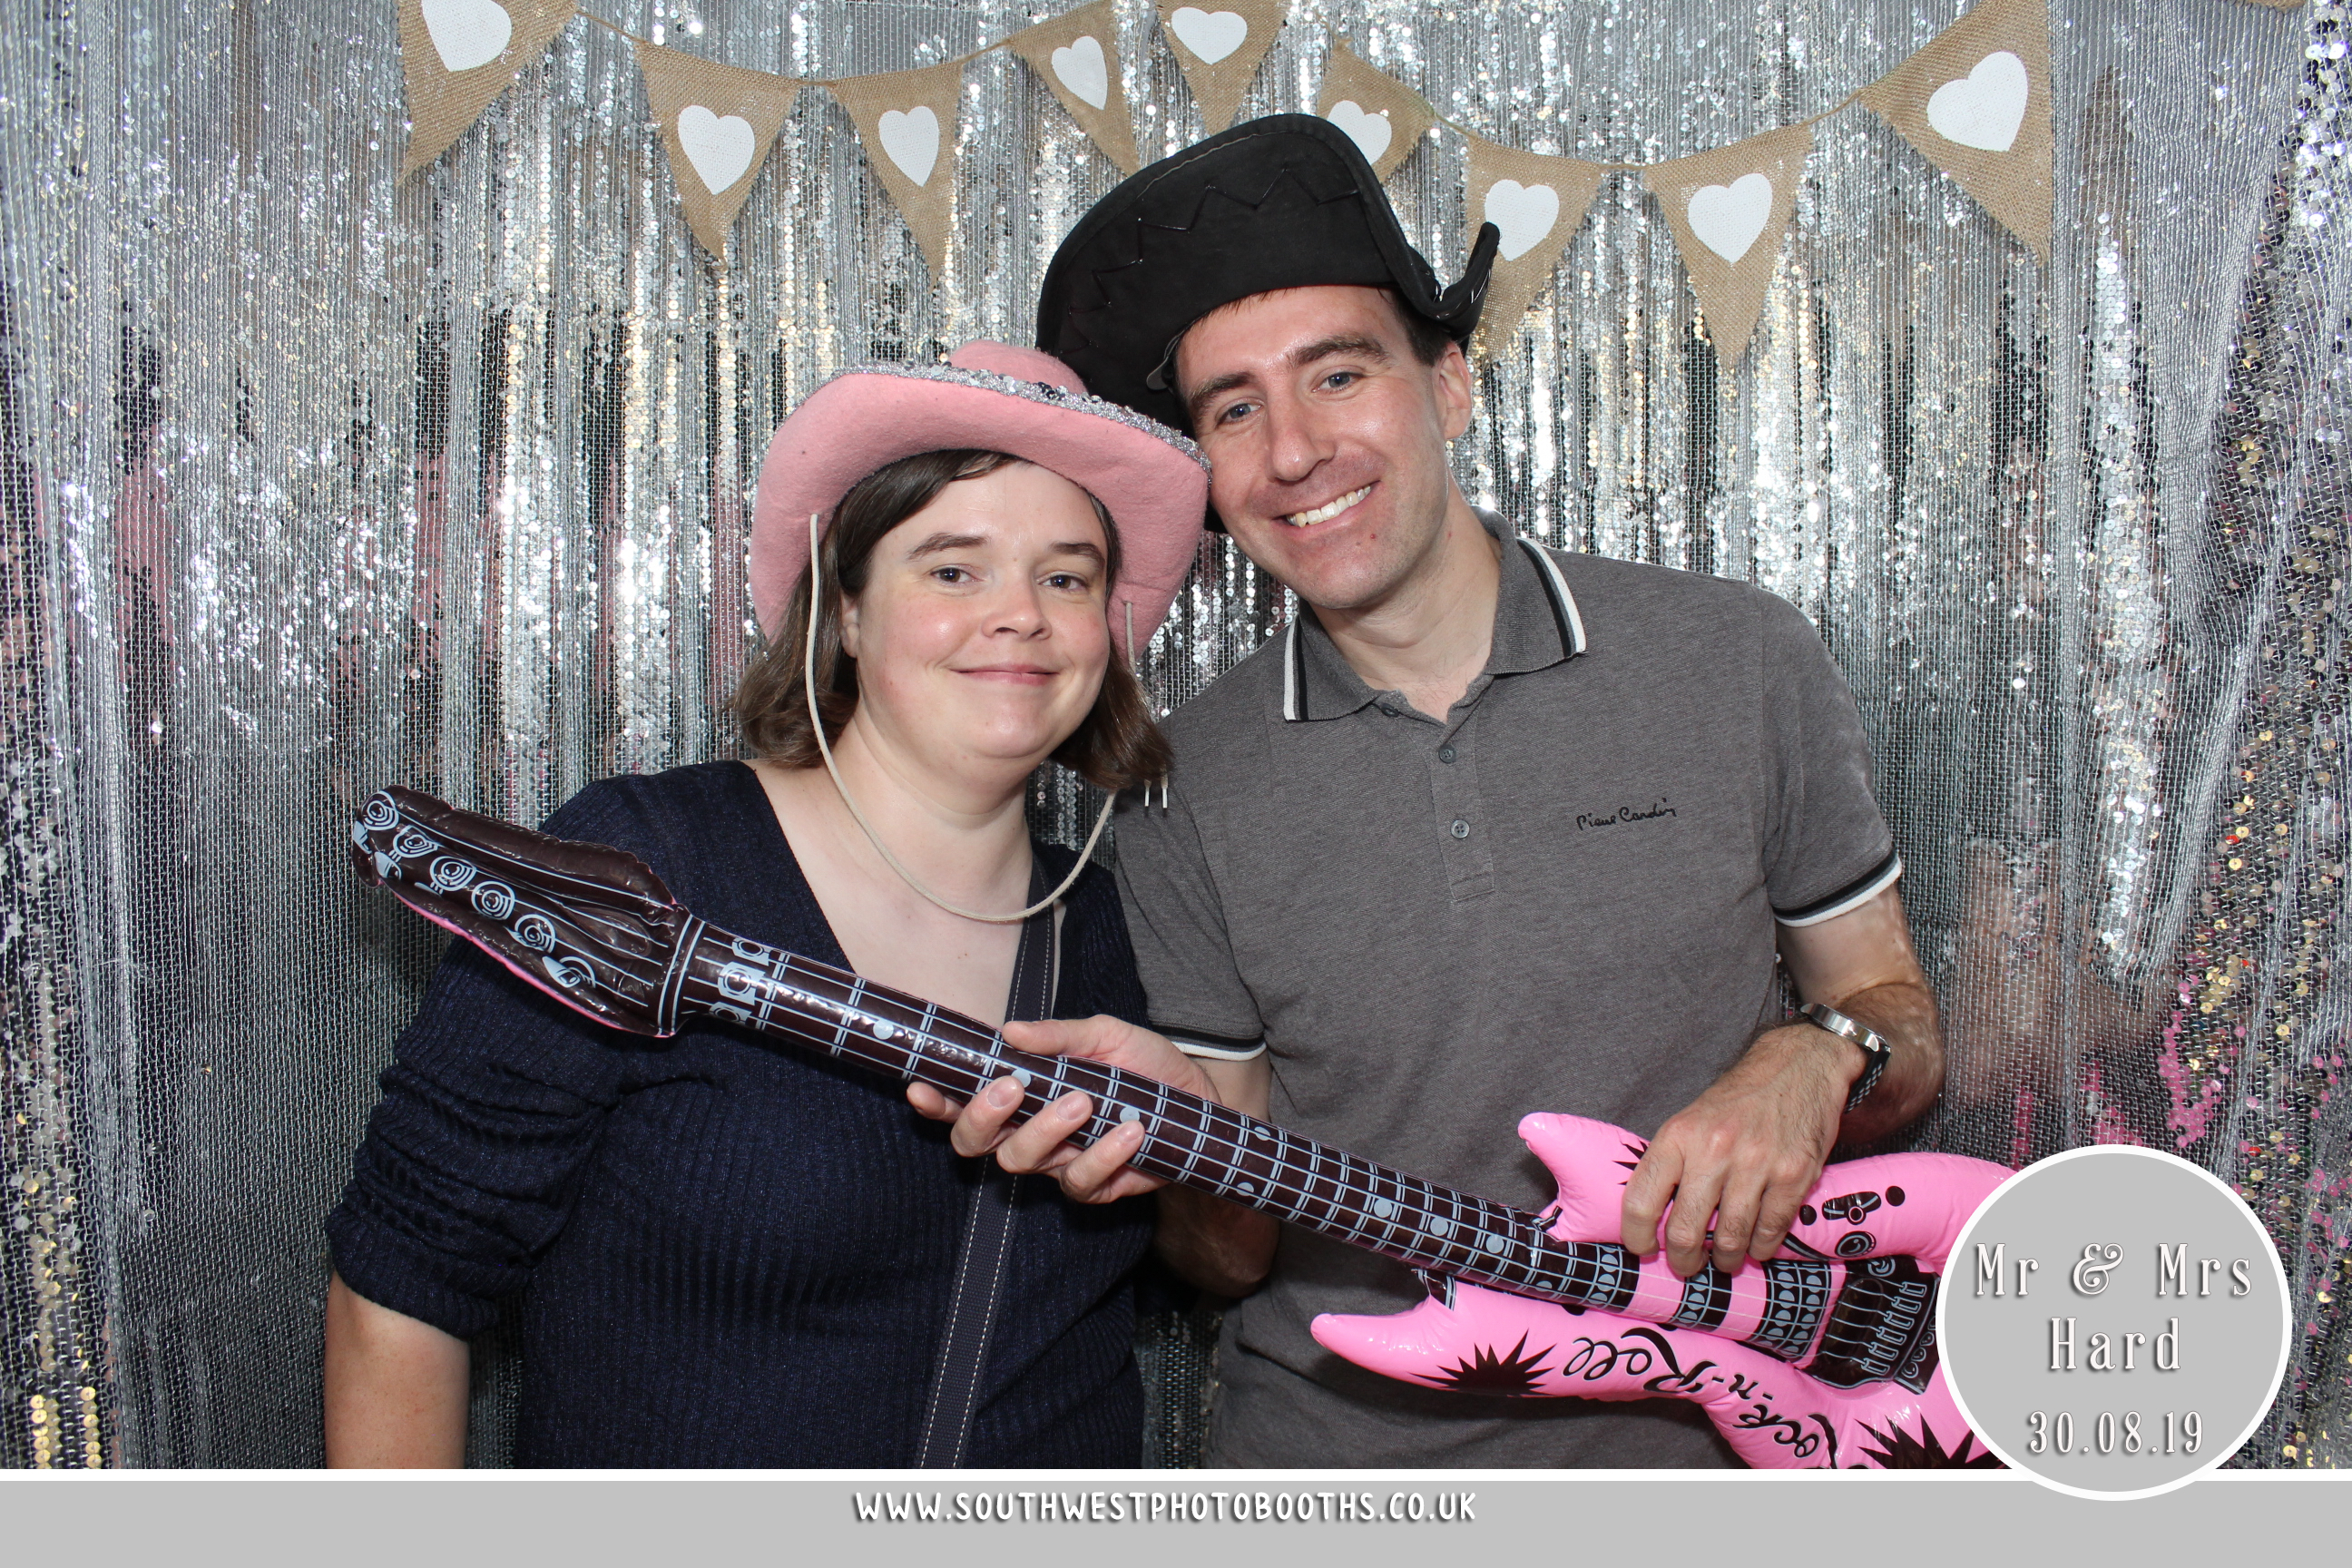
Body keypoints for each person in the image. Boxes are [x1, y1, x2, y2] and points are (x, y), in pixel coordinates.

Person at [929, 116, 1947, 1467]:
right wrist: (1177, 1147)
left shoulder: (1736, 656)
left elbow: (1900, 1022)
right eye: (1234, 409)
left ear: (1451, 383)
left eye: (1338, 375)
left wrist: (1816, 1056)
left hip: (1719, 1460)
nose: (1293, 451)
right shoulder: (1173, 779)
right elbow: (1224, 1265)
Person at [321, 342, 1208, 1467]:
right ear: (844, 612)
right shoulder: (651, 863)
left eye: (1067, 577)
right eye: (952, 569)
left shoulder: (1102, 929)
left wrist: (1206, 1146)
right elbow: (401, 1291)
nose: (1021, 616)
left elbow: (1180, 1275)